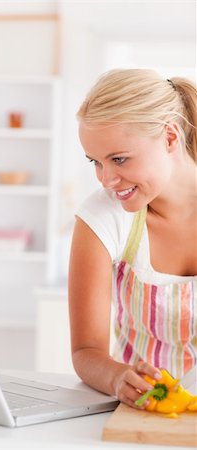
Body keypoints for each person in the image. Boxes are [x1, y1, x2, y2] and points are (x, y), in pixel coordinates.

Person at [68, 68, 197, 410]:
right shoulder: (104, 216)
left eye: (119, 159)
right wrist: (116, 377)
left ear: (170, 137)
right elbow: (86, 351)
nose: (107, 179)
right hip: (143, 417)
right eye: (95, 162)